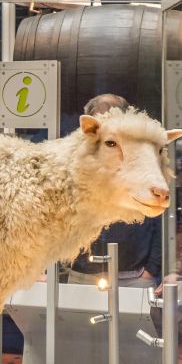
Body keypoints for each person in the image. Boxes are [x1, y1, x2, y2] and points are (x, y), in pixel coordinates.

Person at [66, 94, 162, 287]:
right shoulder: (73, 160)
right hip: (81, 275)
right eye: (99, 120)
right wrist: (47, 269)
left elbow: (159, 213)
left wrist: (152, 267)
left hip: (134, 276)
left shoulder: (145, 159)